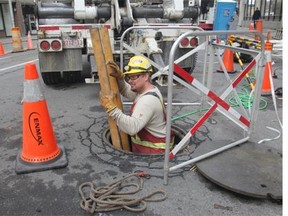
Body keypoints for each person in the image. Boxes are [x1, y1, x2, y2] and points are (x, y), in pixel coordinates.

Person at [100, 55, 174, 154]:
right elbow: (127, 91)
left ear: (146, 76)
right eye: (129, 77)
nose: (130, 81)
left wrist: (111, 108)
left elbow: (132, 127)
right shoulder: (147, 90)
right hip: (149, 150)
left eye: (134, 77)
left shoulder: (148, 100)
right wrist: (120, 79)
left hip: (154, 154)